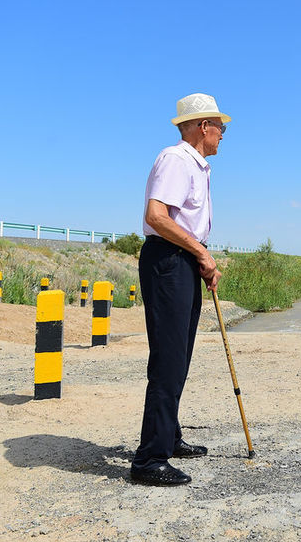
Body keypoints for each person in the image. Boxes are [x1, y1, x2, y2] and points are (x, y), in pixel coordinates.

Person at [130, 93, 229, 486]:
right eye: (221, 127)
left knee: (179, 356)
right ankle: (149, 459)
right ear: (203, 126)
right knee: (169, 359)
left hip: (181, 259)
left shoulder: (196, 165)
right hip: (169, 260)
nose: (224, 134)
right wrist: (199, 251)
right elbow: (156, 216)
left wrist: (198, 257)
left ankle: (168, 438)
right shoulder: (175, 159)